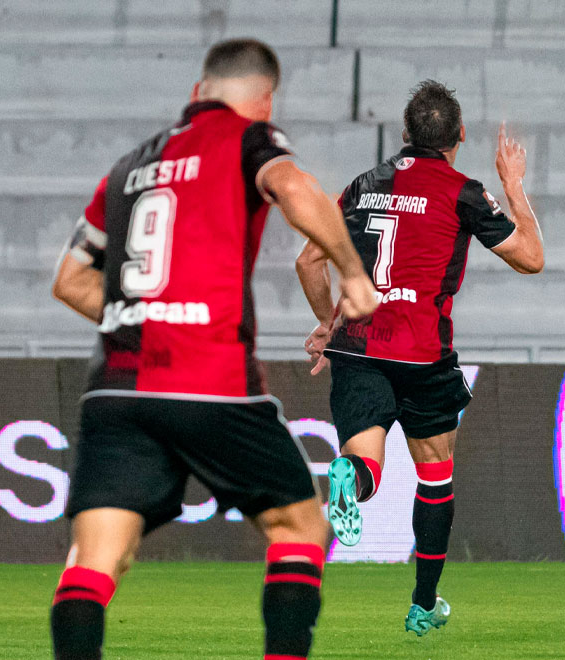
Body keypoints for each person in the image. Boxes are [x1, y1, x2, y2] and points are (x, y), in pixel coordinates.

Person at [48, 38, 379, 660]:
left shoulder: (126, 168)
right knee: (298, 527)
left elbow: (69, 280)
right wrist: (352, 272)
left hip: (116, 390)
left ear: (197, 91)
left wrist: (145, 319)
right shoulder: (248, 138)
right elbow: (295, 186)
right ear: (266, 99)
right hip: (211, 382)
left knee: (95, 557)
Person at [296, 80, 544, 635]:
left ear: (405, 132)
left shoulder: (361, 186)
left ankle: (351, 477)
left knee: (366, 463)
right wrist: (513, 184)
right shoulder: (463, 192)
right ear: (460, 136)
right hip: (423, 355)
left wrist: (328, 322)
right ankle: (423, 604)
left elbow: (309, 261)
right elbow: (531, 258)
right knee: (434, 474)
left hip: (359, 347)